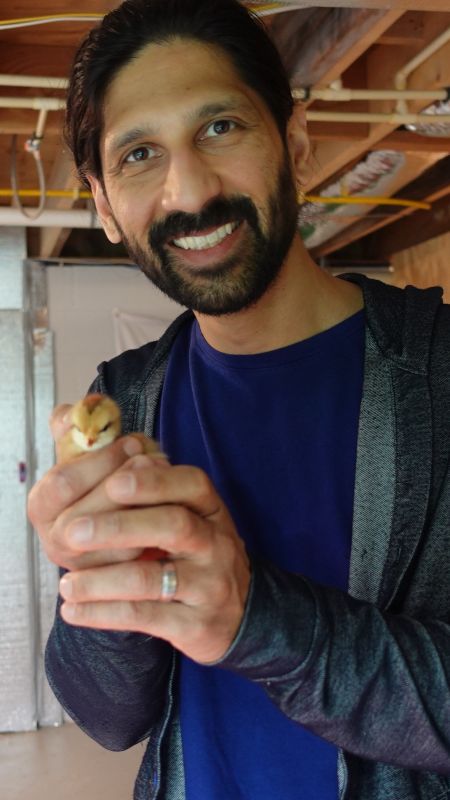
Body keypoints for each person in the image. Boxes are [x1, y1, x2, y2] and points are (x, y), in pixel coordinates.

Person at [28, 1, 450, 798]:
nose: (188, 192)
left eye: (220, 127)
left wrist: (259, 620)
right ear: (104, 206)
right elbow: (109, 718)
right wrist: (95, 572)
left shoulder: (438, 371)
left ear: (292, 142)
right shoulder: (128, 397)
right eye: (140, 153)